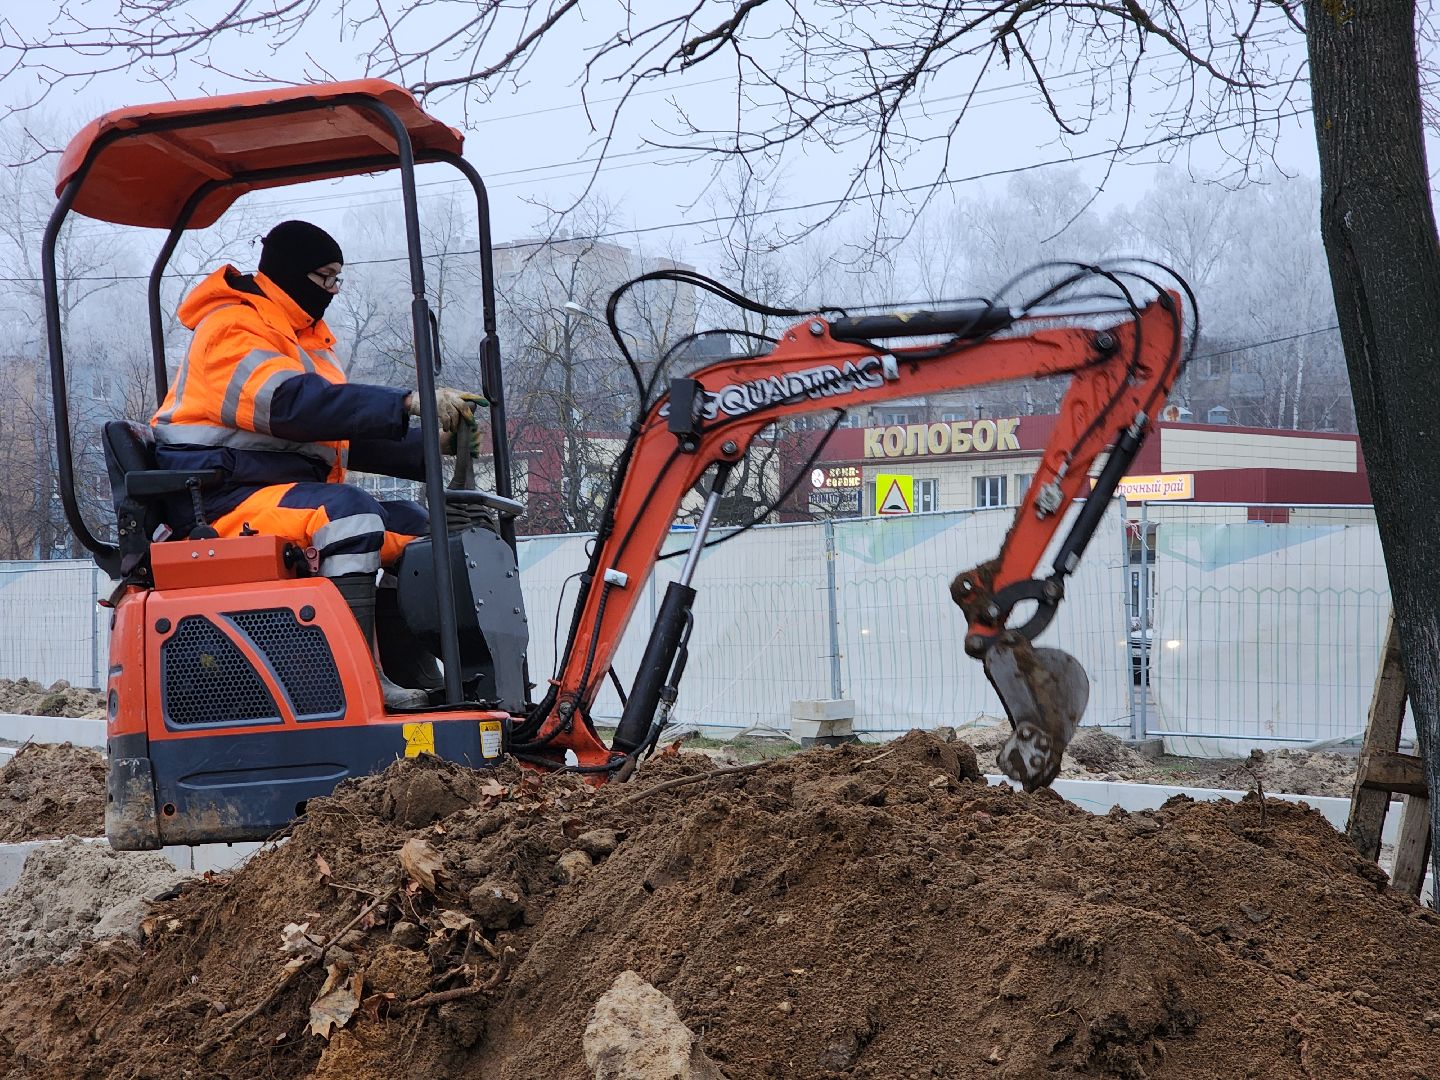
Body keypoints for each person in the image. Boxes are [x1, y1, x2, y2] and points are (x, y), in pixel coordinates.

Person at [151, 219, 481, 708]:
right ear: (290, 271)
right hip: (215, 499)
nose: (331, 291)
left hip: (270, 489)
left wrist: (432, 445)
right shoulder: (232, 327)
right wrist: (406, 401)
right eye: (325, 278)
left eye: (336, 280)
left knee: (418, 530)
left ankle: (410, 670)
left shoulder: (302, 336)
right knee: (347, 515)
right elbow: (289, 406)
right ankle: (358, 679)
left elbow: (332, 432)